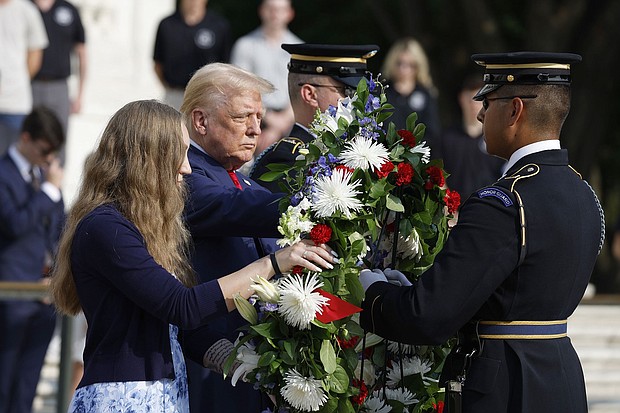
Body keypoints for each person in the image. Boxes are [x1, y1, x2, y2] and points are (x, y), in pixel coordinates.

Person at [48, 99, 334, 412]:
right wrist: (273, 263)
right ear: (149, 157)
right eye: (179, 153)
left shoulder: (132, 225)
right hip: (122, 398)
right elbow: (182, 307)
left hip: (162, 396)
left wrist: (263, 373)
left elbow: (182, 331)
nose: (186, 167)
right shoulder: (106, 227)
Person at [359, 52, 605, 413]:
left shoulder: (503, 202)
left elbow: (428, 317)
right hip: (561, 377)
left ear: (514, 110)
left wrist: (374, 290)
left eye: (487, 102)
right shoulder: (583, 193)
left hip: (505, 386)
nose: (478, 114)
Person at [0, 106, 65, 413]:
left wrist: (57, 275)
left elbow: (58, 230)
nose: (49, 158)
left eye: (54, 152)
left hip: (45, 294)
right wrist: (50, 189)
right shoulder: (3, 174)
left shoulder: (46, 176)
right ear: (26, 138)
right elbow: (14, 223)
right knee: (4, 383)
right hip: (12, 295)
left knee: (27, 387)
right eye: (44, 150)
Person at [250, 43, 380, 192]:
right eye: (348, 92)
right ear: (310, 95)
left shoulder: (349, 151)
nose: (357, 101)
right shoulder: (289, 161)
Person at [231, 0, 301, 165]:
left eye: (280, 9)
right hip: (254, 120)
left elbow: (301, 90)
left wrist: (280, 124)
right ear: (261, 11)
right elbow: (239, 89)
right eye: (270, 8)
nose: (274, 14)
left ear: (290, 13)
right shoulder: (245, 45)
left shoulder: (299, 49)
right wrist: (267, 119)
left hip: (291, 120)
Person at [31, 0, 87, 163]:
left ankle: (55, 185)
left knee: (58, 141)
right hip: (29, 85)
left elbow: (82, 53)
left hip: (59, 87)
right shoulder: (24, 6)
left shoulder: (68, 10)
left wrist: (80, 95)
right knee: (28, 139)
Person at [433, 73, 505, 199]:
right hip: (454, 213)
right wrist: (448, 207)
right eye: (470, 99)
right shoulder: (446, 138)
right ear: (461, 99)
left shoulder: (498, 139)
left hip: (489, 208)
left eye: (478, 100)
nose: (473, 105)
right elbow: (437, 174)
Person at [153, 0, 232, 110]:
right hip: (175, 94)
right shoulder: (167, 24)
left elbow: (225, 65)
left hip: (207, 95)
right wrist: (170, 88)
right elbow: (158, 63)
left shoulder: (219, 25)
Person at [0, 0, 49, 154]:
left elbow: (35, 56)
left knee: (13, 159)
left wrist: (15, 83)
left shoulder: (27, 10)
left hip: (15, 103)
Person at [381, 38, 441, 145]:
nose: (404, 69)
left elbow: (432, 132)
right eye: (399, 63)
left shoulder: (426, 94)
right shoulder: (383, 92)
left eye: (410, 65)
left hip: (417, 156)